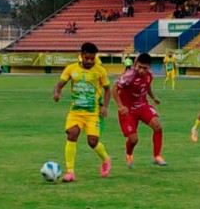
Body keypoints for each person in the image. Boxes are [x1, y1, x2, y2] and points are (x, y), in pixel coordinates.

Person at [53, 42, 112, 181]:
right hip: (75, 112)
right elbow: (59, 85)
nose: (90, 61)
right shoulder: (71, 69)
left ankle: (105, 159)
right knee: (72, 134)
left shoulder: (100, 71)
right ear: (81, 56)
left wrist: (105, 107)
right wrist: (57, 93)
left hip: (92, 113)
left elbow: (108, 89)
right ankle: (70, 172)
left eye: (92, 59)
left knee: (92, 142)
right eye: (87, 58)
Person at [113, 52, 166, 167]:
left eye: (144, 68)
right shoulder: (129, 76)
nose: (141, 70)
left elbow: (147, 86)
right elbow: (114, 89)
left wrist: (153, 97)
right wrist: (120, 106)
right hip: (128, 110)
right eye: (139, 67)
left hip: (142, 106)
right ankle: (129, 154)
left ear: (149, 67)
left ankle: (157, 156)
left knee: (158, 126)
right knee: (133, 140)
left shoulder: (149, 75)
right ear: (135, 64)